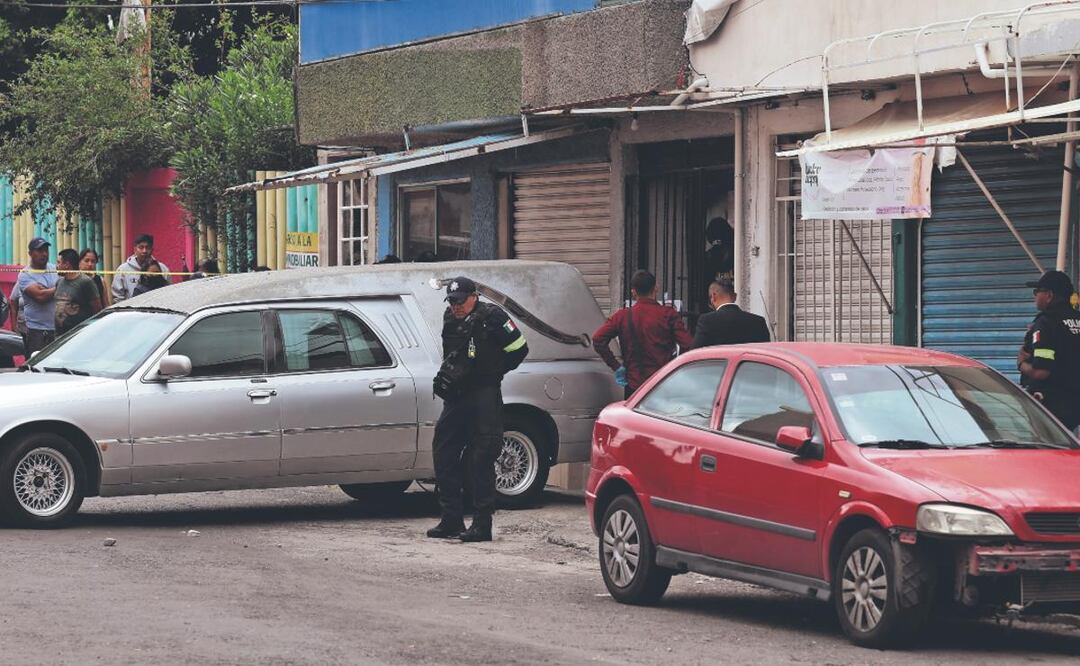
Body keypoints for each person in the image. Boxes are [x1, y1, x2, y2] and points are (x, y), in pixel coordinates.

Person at [427, 276, 528, 542]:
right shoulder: (450, 319)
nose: (455, 307)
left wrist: (493, 371)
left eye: (460, 301)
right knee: (443, 451)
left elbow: (519, 349)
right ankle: (452, 519)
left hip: (484, 395)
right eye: (451, 301)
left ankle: (482, 525)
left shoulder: (493, 317)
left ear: (474, 297)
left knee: (481, 458)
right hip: (458, 397)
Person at [593, 270, 693, 398]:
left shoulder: (622, 316)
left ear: (633, 292)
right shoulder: (668, 315)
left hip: (634, 386)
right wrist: (676, 369)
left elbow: (597, 339)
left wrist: (616, 366)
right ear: (656, 287)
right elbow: (688, 344)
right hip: (663, 383)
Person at [1017, 270, 1080, 433]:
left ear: (1049, 295)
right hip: (1075, 404)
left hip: (1051, 407)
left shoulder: (1046, 323)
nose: (1035, 296)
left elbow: (1041, 372)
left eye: (1037, 292)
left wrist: (1022, 363)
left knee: (1047, 453)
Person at [692, 277, 771, 349]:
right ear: (735, 297)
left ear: (713, 296)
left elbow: (695, 353)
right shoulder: (758, 322)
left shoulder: (707, 321)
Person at [16, 237, 59, 355]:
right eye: (40, 251)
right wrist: (58, 287)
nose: (44, 254)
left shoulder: (54, 268)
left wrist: (49, 290)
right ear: (30, 253)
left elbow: (49, 292)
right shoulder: (25, 274)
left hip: (56, 329)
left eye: (46, 250)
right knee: (37, 366)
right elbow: (41, 296)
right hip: (37, 331)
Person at [54, 249, 102, 335]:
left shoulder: (85, 282)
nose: (56, 266)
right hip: (60, 336)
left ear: (67, 265)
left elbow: (97, 309)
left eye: (58, 262)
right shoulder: (59, 282)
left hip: (79, 335)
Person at [111, 234, 170, 303]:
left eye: (147, 247)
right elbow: (117, 298)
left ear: (152, 250)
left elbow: (169, 293)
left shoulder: (163, 269)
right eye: (141, 247)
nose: (144, 251)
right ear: (135, 249)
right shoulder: (123, 270)